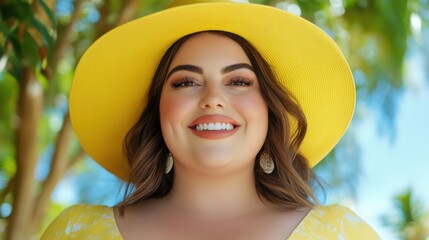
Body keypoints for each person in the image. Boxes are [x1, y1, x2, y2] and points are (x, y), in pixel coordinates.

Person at [42, 0, 380, 239]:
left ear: (269, 109)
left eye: (239, 81)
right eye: (186, 82)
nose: (213, 99)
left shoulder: (342, 233)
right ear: (157, 112)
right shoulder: (76, 232)